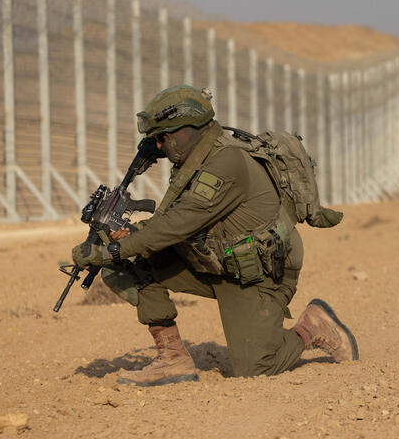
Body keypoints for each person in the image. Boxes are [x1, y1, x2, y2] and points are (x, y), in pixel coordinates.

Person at [72, 85, 358, 386]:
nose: (158, 146)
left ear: (188, 131)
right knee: (129, 264)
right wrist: (122, 242)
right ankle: (172, 359)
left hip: (261, 273)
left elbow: (176, 225)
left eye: (164, 137)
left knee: (257, 367)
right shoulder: (193, 161)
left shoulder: (225, 162)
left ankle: (312, 327)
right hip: (217, 262)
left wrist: (111, 251)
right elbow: (172, 225)